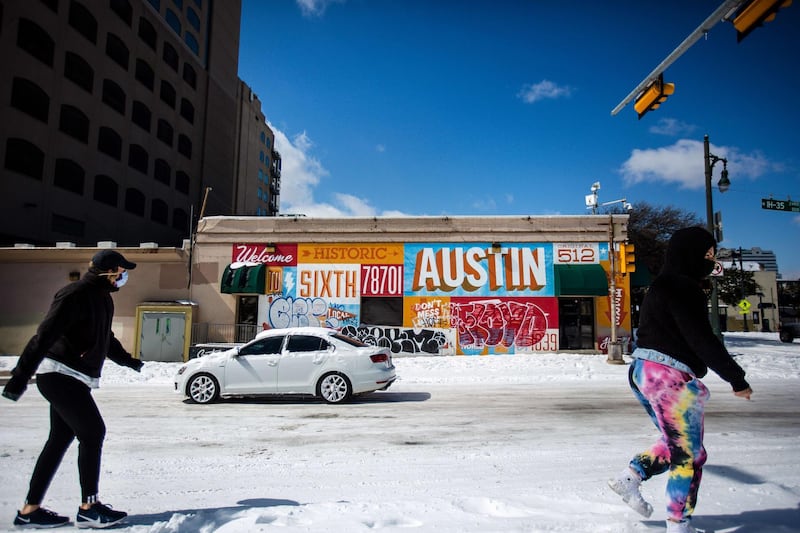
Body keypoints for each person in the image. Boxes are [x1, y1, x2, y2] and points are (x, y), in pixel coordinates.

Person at [608, 227, 753, 533]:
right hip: (668, 375)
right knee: (688, 455)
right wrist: (736, 378)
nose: (711, 260)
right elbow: (702, 338)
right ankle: (679, 525)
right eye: (707, 254)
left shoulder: (661, 286)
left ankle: (630, 477)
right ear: (690, 254)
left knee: (676, 444)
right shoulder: (682, 287)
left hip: (643, 372)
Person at [2, 249, 145, 529]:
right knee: (93, 432)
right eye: (122, 270)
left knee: (58, 441)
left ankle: (29, 511)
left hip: (76, 378)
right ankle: (89, 507)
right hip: (58, 375)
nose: (124, 276)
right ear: (110, 271)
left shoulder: (103, 299)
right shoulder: (75, 294)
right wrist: (19, 377)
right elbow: (44, 336)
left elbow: (106, 338)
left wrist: (128, 361)